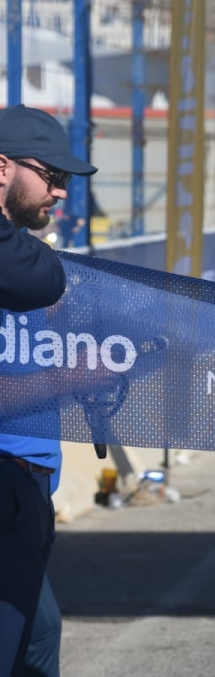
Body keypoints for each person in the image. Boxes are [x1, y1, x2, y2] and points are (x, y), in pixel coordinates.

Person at [0, 105, 98, 677]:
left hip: (27, 485)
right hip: (7, 485)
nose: (60, 192)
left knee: (39, 635)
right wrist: (71, 379)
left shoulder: (20, 256)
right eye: (51, 176)